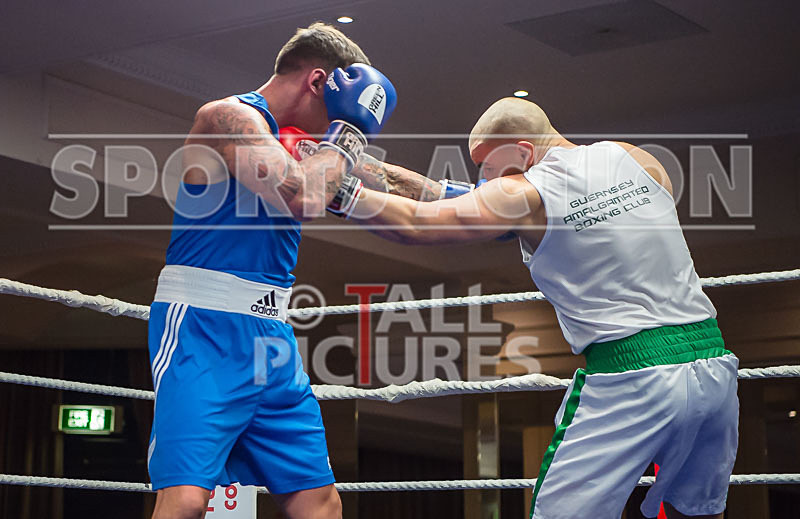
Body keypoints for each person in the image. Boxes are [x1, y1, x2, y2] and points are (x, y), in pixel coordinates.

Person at [342, 97, 739, 519]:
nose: (483, 178)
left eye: (486, 166)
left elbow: (419, 224)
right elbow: (451, 197)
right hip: (714, 365)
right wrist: (364, 166)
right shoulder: (634, 157)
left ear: (523, 153)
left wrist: (339, 193)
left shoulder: (524, 193)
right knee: (696, 513)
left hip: (630, 373)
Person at [147, 22, 396, 519]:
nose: (336, 125)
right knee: (187, 501)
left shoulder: (306, 147)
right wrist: (348, 132)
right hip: (203, 326)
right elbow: (304, 197)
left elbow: (390, 181)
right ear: (319, 82)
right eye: (338, 109)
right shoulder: (226, 118)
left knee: (319, 503)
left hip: (272, 339)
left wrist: (487, 198)